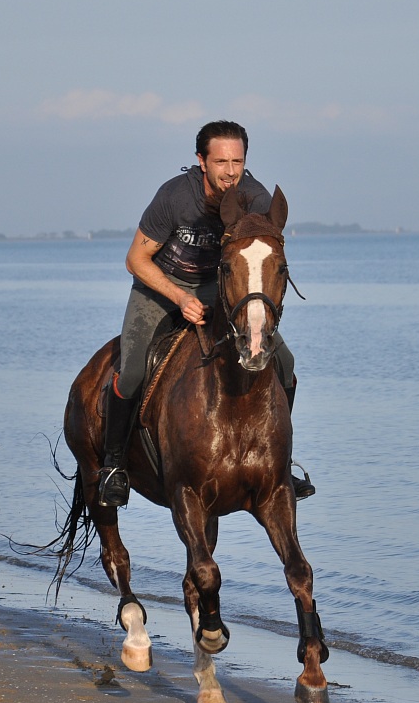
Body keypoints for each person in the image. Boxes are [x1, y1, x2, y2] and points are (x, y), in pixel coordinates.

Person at [98, 120, 314, 507]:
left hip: (221, 289)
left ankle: (281, 464)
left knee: (284, 361)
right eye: (221, 162)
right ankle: (113, 466)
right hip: (161, 288)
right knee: (130, 372)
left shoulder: (257, 198)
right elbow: (135, 260)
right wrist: (180, 297)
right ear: (201, 161)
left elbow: (258, 262)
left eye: (238, 161)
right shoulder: (175, 198)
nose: (231, 171)